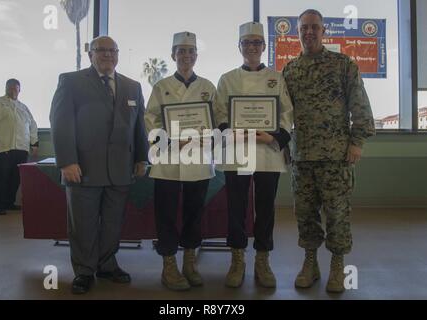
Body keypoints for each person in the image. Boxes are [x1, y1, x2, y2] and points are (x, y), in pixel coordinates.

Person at [282, 9, 375, 293]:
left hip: (336, 156)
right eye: (303, 28)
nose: (308, 32)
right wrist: (286, 145)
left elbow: (360, 106)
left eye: (314, 27)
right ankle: (310, 263)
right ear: (297, 33)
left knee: (337, 215)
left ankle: (337, 266)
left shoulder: (343, 64)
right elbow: (284, 115)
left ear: (324, 31)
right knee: (305, 215)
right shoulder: (290, 70)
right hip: (303, 158)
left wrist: (357, 141)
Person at [50, 36, 149, 294]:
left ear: (118, 54)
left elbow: (139, 127)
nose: (107, 55)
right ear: (90, 54)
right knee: (83, 224)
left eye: (112, 50)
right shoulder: (71, 82)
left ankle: (107, 264)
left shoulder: (132, 86)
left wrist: (141, 157)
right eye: (101, 50)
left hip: (121, 170)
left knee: (113, 223)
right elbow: (61, 123)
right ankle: (84, 271)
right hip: (83, 169)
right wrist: (67, 161)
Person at [213, 22, 293, 288]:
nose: (251, 47)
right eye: (246, 43)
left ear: (263, 47)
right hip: (237, 151)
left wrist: (275, 136)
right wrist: (229, 131)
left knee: (265, 209)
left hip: (268, 152)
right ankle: (237, 259)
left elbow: (286, 113)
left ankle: (262, 259)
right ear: (239, 47)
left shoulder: (276, 77)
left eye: (256, 43)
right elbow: (220, 113)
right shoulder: (227, 78)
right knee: (236, 207)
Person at [144, 31, 216, 291]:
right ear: (173, 55)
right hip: (168, 161)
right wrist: (171, 141)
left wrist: (205, 137)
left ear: (196, 55)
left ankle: (189, 261)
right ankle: (169, 265)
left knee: (194, 214)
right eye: (181, 51)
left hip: (198, 158)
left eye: (190, 51)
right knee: (165, 214)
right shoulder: (161, 87)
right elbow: (150, 119)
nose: (186, 55)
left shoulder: (208, 86)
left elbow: (216, 121)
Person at [0, 79, 38, 215]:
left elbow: (33, 126)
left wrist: (34, 144)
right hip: (0, 147)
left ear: (20, 90)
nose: (13, 90)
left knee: (15, 178)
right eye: (10, 87)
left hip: (20, 148)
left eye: (15, 88)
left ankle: (8, 202)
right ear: (6, 88)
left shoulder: (24, 108)